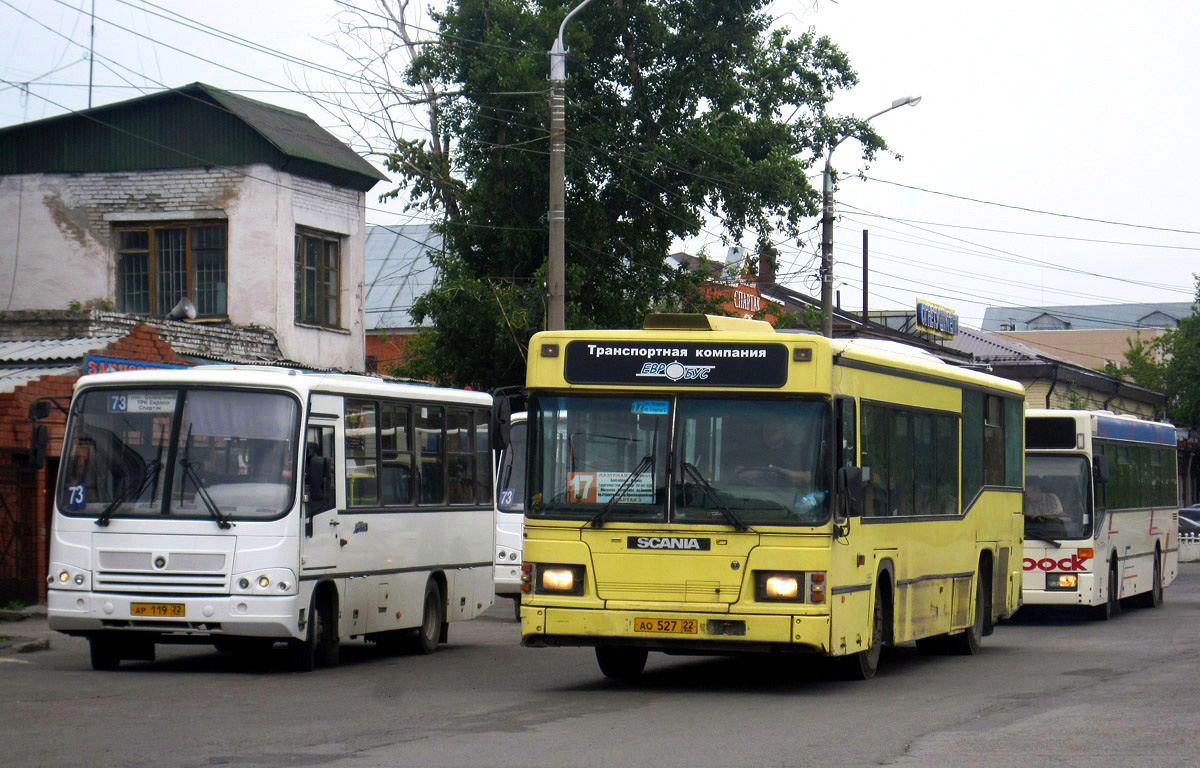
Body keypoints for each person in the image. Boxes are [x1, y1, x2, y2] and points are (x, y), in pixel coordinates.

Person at [735, 418, 812, 487]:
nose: (769, 434)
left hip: (788, 496)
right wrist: (753, 473)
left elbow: (808, 477)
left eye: (775, 430)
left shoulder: (797, 452)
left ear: (785, 432)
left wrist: (778, 470)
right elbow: (737, 471)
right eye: (767, 430)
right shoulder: (754, 450)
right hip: (754, 494)